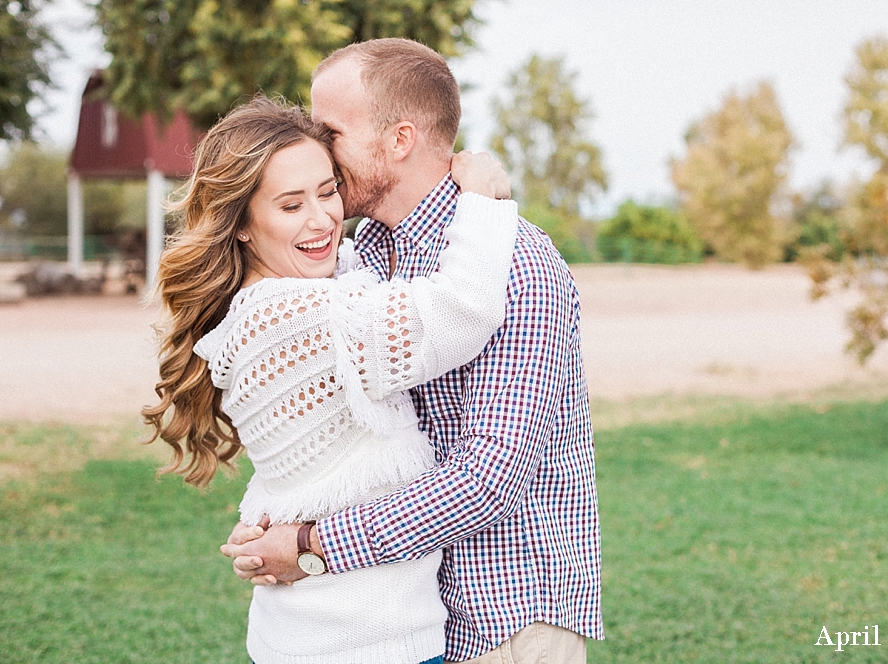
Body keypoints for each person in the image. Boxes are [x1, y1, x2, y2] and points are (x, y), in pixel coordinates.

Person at [223, 38, 604, 663]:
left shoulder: (518, 266)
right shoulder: (359, 253)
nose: (315, 147)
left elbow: (486, 481)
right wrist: (272, 521)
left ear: (399, 140)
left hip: (500, 621)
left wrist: (312, 543)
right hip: (390, 620)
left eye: (331, 129)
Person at [142, 96, 521, 664]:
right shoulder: (294, 319)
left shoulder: (282, 302)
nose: (321, 218)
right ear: (242, 225)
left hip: (315, 633)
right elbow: (461, 310)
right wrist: (484, 198)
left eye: (328, 191)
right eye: (291, 205)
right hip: (362, 642)